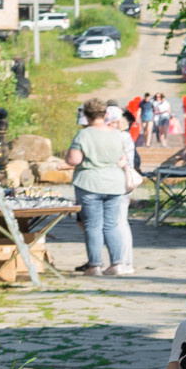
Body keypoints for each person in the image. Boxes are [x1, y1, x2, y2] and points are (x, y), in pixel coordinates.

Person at [66, 103, 136, 276]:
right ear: (104, 115)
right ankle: (117, 264)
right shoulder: (117, 134)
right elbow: (122, 157)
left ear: (87, 116)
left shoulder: (84, 134)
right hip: (114, 184)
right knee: (111, 224)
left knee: (92, 225)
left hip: (90, 183)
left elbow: (74, 159)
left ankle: (94, 265)